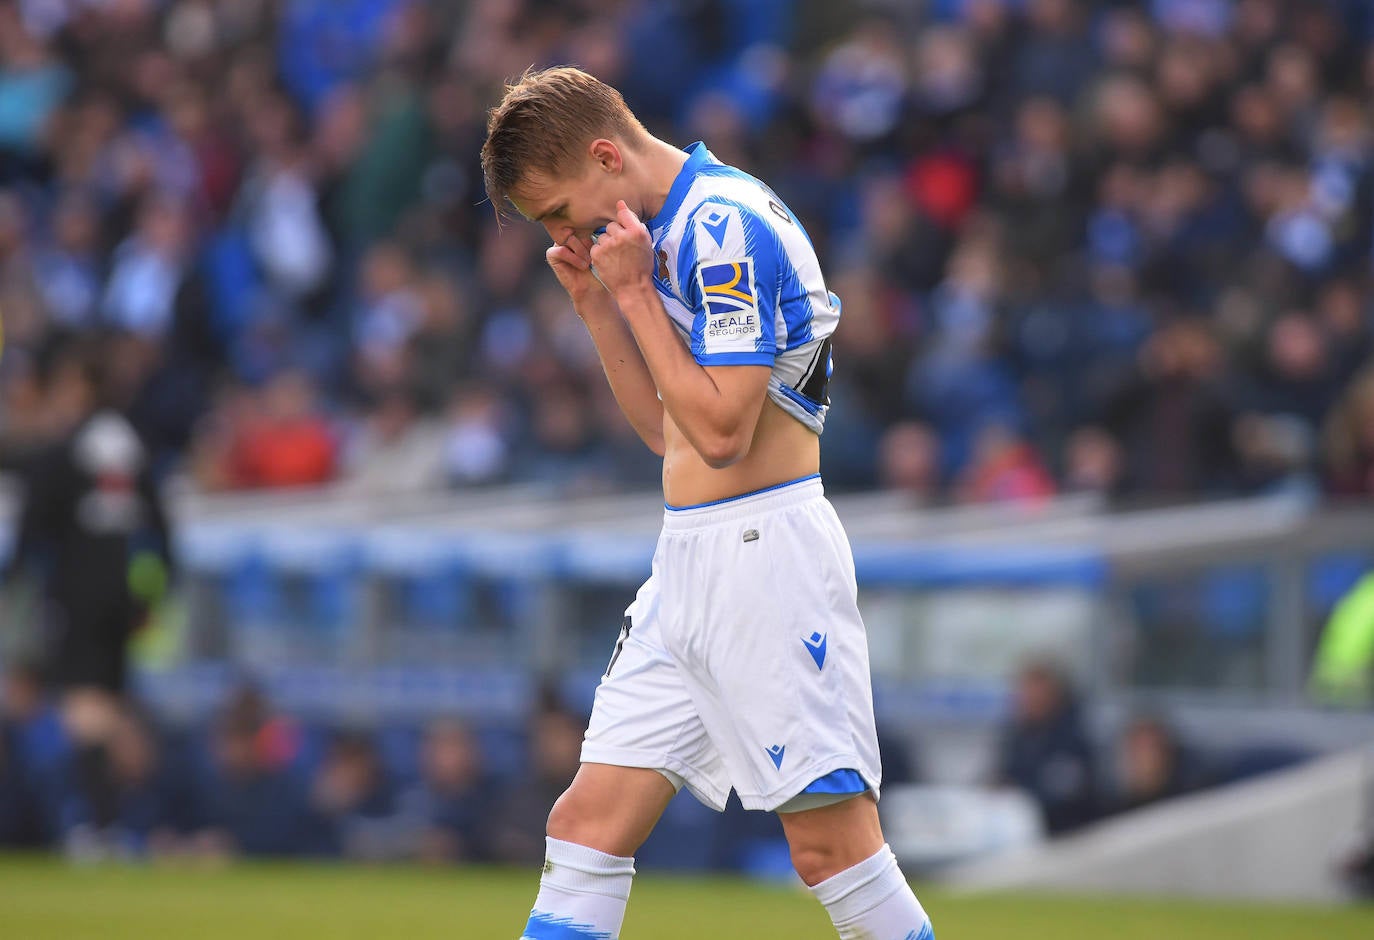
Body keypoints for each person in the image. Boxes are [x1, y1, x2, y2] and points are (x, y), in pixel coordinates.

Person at [482, 67, 933, 940]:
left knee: (834, 851)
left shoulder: (722, 225)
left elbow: (724, 431)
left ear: (607, 155)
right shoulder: (667, 232)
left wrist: (634, 293)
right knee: (585, 827)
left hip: (764, 556)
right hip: (688, 558)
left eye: (556, 210)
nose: (562, 233)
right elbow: (667, 431)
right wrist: (595, 304)